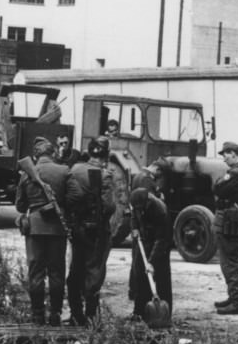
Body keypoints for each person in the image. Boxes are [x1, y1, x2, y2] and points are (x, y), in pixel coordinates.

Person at [16, 136, 70, 326]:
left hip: (35, 227)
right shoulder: (64, 171)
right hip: (57, 227)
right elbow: (70, 200)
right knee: (56, 271)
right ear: (53, 153)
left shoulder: (27, 174)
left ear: (35, 155)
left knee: (36, 272)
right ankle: (55, 314)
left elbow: (20, 206)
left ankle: (37, 314)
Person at [64, 135, 116, 326]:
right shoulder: (105, 174)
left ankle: (75, 314)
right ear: (106, 155)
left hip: (77, 228)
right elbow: (110, 206)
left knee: (75, 269)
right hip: (98, 232)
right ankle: (91, 316)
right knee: (94, 271)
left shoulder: (75, 169)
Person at [212, 141, 238, 315]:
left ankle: (237, 302)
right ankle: (233, 297)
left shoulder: (237, 173)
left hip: (230, 221)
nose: (224, 158)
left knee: (230, 262)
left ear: (233, 154)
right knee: (228, 261)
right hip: (231, 220)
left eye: (225, 155)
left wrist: (219, 182)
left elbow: (218, 188)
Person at [128, 187, 172, 323]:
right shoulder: (137, 204)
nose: (139, 210)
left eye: (141, 207)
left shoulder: (160, 210)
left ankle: (164, 315)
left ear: (147, 202)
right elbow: (134, 215)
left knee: (161, 278)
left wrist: (152, 262)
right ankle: (139, 312)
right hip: (143, 242)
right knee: (140, 277)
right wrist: (134, 228)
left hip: (160, 246)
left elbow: (161, 239)